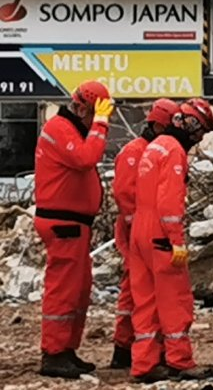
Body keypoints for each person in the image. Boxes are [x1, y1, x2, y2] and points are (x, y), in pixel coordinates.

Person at [128, 98, 213, 383]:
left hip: (140, 231)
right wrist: (177, 240)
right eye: (200, 132)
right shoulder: (174, 152)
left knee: (146, 301)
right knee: (175, 300)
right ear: (192, 127)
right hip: (160, 234)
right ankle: (180, 361)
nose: (200, 138)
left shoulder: (153, 147)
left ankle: (144, 364)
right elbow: (169, 202)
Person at [33, 81, 113, 379]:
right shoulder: (59, 129)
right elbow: (85, 158)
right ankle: (54, 353)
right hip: (63, 222)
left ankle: (65, 349)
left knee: (77, 289)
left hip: (74, 223)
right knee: (64, 289)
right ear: (82, 108)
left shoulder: (70, 128)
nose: (100, 119)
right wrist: (101, 125)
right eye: (97, 113)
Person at [109, 98, 181, 370]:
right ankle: (124, 345)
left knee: (141, 287)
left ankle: (135, 346)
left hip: (141, 227)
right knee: (134, 287)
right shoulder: (135, 151)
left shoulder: (151, 150)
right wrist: (135, 227)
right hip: (137, 229)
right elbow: (125, 194)